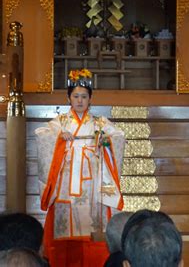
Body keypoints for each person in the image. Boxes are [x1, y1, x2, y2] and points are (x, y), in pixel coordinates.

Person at [35, 68, 126, 267]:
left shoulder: (100, 123)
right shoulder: (59, 123)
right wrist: (59, 139)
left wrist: (106, 141)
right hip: (66, 185)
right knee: (64, 234)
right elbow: (43, 135)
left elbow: (118, 137)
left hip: (92, 184)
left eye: (84, 96)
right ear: (68, 98)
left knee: (92, 232)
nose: (79, 101)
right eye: (75, 96)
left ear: (90, 99)